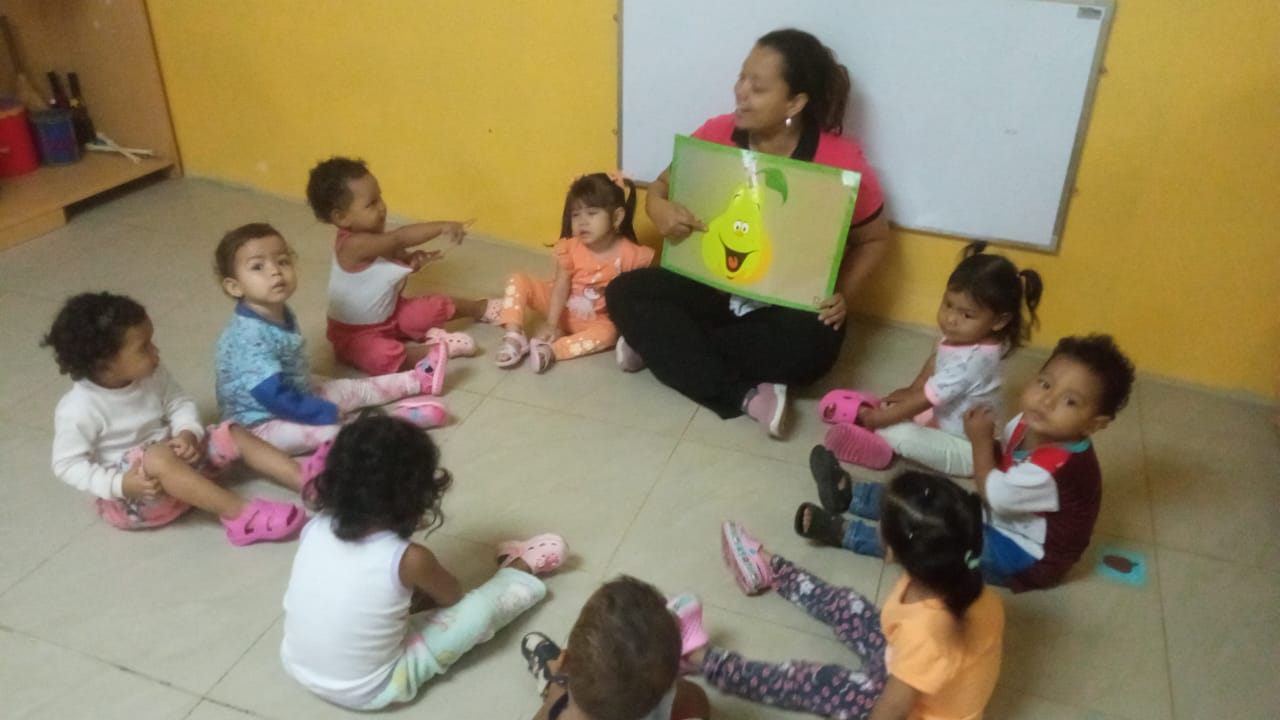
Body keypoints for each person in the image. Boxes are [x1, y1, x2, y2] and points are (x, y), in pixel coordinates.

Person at [606, 28, 891, 438]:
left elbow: (874, 239)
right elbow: (661, 186)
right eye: (742, 78)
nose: (741, 92)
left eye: (758, 88)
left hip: (784, 304)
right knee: (623, 292)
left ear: (795, 102)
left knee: (812, 348)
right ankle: (744, 394)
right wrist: (659, 207)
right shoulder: (718, 133)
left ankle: (661, 346)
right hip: (711, 287)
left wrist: (844, 294)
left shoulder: (840, 160)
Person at [280, 415, 567, 709]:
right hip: (370, 689)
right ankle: (520, 571)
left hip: (296, 663)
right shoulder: (410, 558)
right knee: (476, 612)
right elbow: (452, 596)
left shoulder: (315, 527)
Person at [807, 335, 1135, 592]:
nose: (1047, 400)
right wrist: (986, 444)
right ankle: (852, 496)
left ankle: (848, 534)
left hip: (1025, 555)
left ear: (1095, 424)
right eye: (1045, 384)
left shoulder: (1056, 468)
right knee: (934, 496)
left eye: (1070, 401)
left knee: (936, 543)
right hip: (1004, 515)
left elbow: (994, 494)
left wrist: (979, 442)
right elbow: (1001, 460)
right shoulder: (1027, 422)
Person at [702, 472, 1004, 719]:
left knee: (814, 682)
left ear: (889, 552)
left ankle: (706, 661)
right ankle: (772, 569)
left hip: (914, 708)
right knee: (847, 605)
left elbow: (894, 709)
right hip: (909, 667)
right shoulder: (959, 581)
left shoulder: (928, 635)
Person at [45, 292, 308, 546]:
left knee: (230, 432)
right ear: (105, 363)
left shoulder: (151, 373)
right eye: (144, 347)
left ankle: (306, 480)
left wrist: (187, 432)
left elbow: (178, 402)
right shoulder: (79, 408)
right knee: (157, 457)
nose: (155, 351)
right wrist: (119, 485)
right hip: (138, 496)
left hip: (177, 463)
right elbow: (67, 465)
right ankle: (240, 515)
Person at [214, 223, 447, 456]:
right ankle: (397, 424)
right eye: (258, 266)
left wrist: (314, 402)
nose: (275, 271)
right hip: (259, 427)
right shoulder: (249, 337)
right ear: (234, 287)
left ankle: (417, 380)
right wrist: (321, 412)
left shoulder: (276, 311)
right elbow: (273, 396)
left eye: (282, 261)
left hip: (295, 393)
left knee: (352, 389)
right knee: (332, 432)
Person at [818, 241, 1043, 476]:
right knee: (899, 406)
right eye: (948, 305)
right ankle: (880, 421)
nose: (950, 319)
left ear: (999, 321)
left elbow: (927, 398)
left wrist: (881, 419)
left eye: (966, 315)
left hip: (969, 450)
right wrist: (911, 390)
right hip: (944, 417)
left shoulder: (972, 361)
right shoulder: (967, 334)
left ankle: (881, 447)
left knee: (895, 430)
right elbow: (937, 359)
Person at [306, 156, 487, 375]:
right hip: (357, 334)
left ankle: (481, 308)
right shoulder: (353, 245)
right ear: (342, 218)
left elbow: (389, 265)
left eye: (380, 197)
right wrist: (442, 226)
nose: (382, 207)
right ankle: (436, 350)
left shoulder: (376, 237)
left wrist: (411, 261)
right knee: (380, 356)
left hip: (393, 315)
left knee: (433, 306)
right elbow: (400, 238)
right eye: (371, 204)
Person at [490, 172, 654, 373]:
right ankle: (514, 336)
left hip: (595, 319)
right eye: (576, 215)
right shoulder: (570, 248)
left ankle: (552, 351)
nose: (582, 222)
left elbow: (642, 293)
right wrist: (551, 324)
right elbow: (560, 286)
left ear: (617, 217)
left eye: (592, 213)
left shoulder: (633, 255)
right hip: (558, 307)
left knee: (609, 333)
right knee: (518, 279)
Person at [520, 576, 711, 720]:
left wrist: (555, 687)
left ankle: (549, 681)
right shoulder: (658, 695)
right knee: (694, 698)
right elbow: (697, 698)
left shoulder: (559, 708)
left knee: (555, 697)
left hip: (562, 694)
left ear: (564, 662)